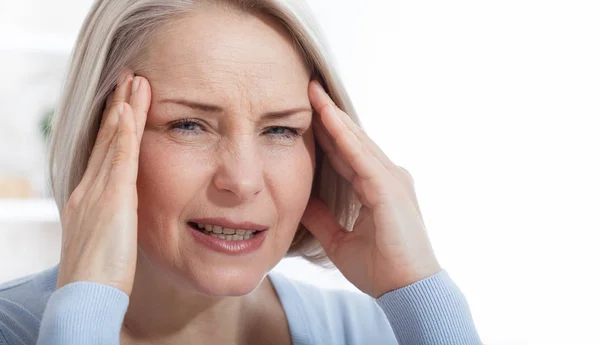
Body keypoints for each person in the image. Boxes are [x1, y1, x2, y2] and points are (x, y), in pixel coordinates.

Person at [0, 0, 483, 344]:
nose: (244, 179)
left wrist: (419, 290)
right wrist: (87, 311)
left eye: (280, 131)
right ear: (97, 137)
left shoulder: (368, 331)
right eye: (189, 125)